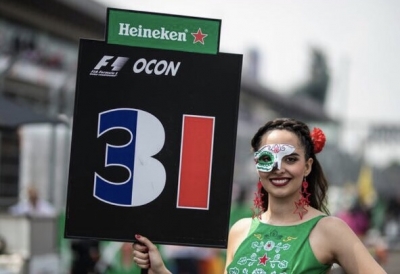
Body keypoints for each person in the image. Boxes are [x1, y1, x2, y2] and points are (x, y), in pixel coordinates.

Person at [132, 118, 387, 274]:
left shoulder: (329, 229)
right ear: (257, 165)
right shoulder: (240, 230)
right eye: (267, 159)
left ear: (307, 166)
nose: (279, 167)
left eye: (290, 158)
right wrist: (160, 270)